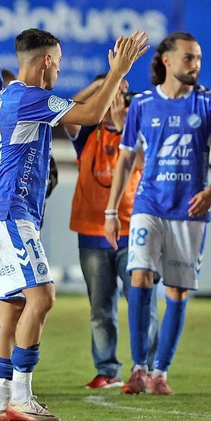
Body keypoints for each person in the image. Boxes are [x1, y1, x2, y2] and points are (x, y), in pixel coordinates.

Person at [0, 29, 149, 421]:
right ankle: (22, 397)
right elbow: (90, 115)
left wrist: (109, 78)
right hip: (11, 213)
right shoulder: (29, 96)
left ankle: (2, 402)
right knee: (43, 298)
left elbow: (75, 107)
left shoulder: (8, 96)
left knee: (13, 307)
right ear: (45, 62)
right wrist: (118, 71)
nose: (58, 69)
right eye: (57, 62)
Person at [106, 32, 211, 395]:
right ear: (167, 60)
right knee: (140, 277)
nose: (196, 65)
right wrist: (112, 211)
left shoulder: (209, 104)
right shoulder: (143, 104)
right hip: (149, 205)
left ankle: (161, 372)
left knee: (177, 291)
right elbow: (127, 158)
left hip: (189, 210)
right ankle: (138, 368)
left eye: (198, 58)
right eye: (189, 58)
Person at [64, 77, 155, 389]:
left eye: (123, 106)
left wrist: (125, 128)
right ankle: (107, 370)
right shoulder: (88, 134)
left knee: (142, 302)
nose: (117, 109)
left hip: (133, 229)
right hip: (91, 232)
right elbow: (66, 112)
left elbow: (145, 162)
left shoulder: (141, 138)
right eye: (112, 103)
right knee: (101, 308)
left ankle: (149, 369)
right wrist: (100, 84)